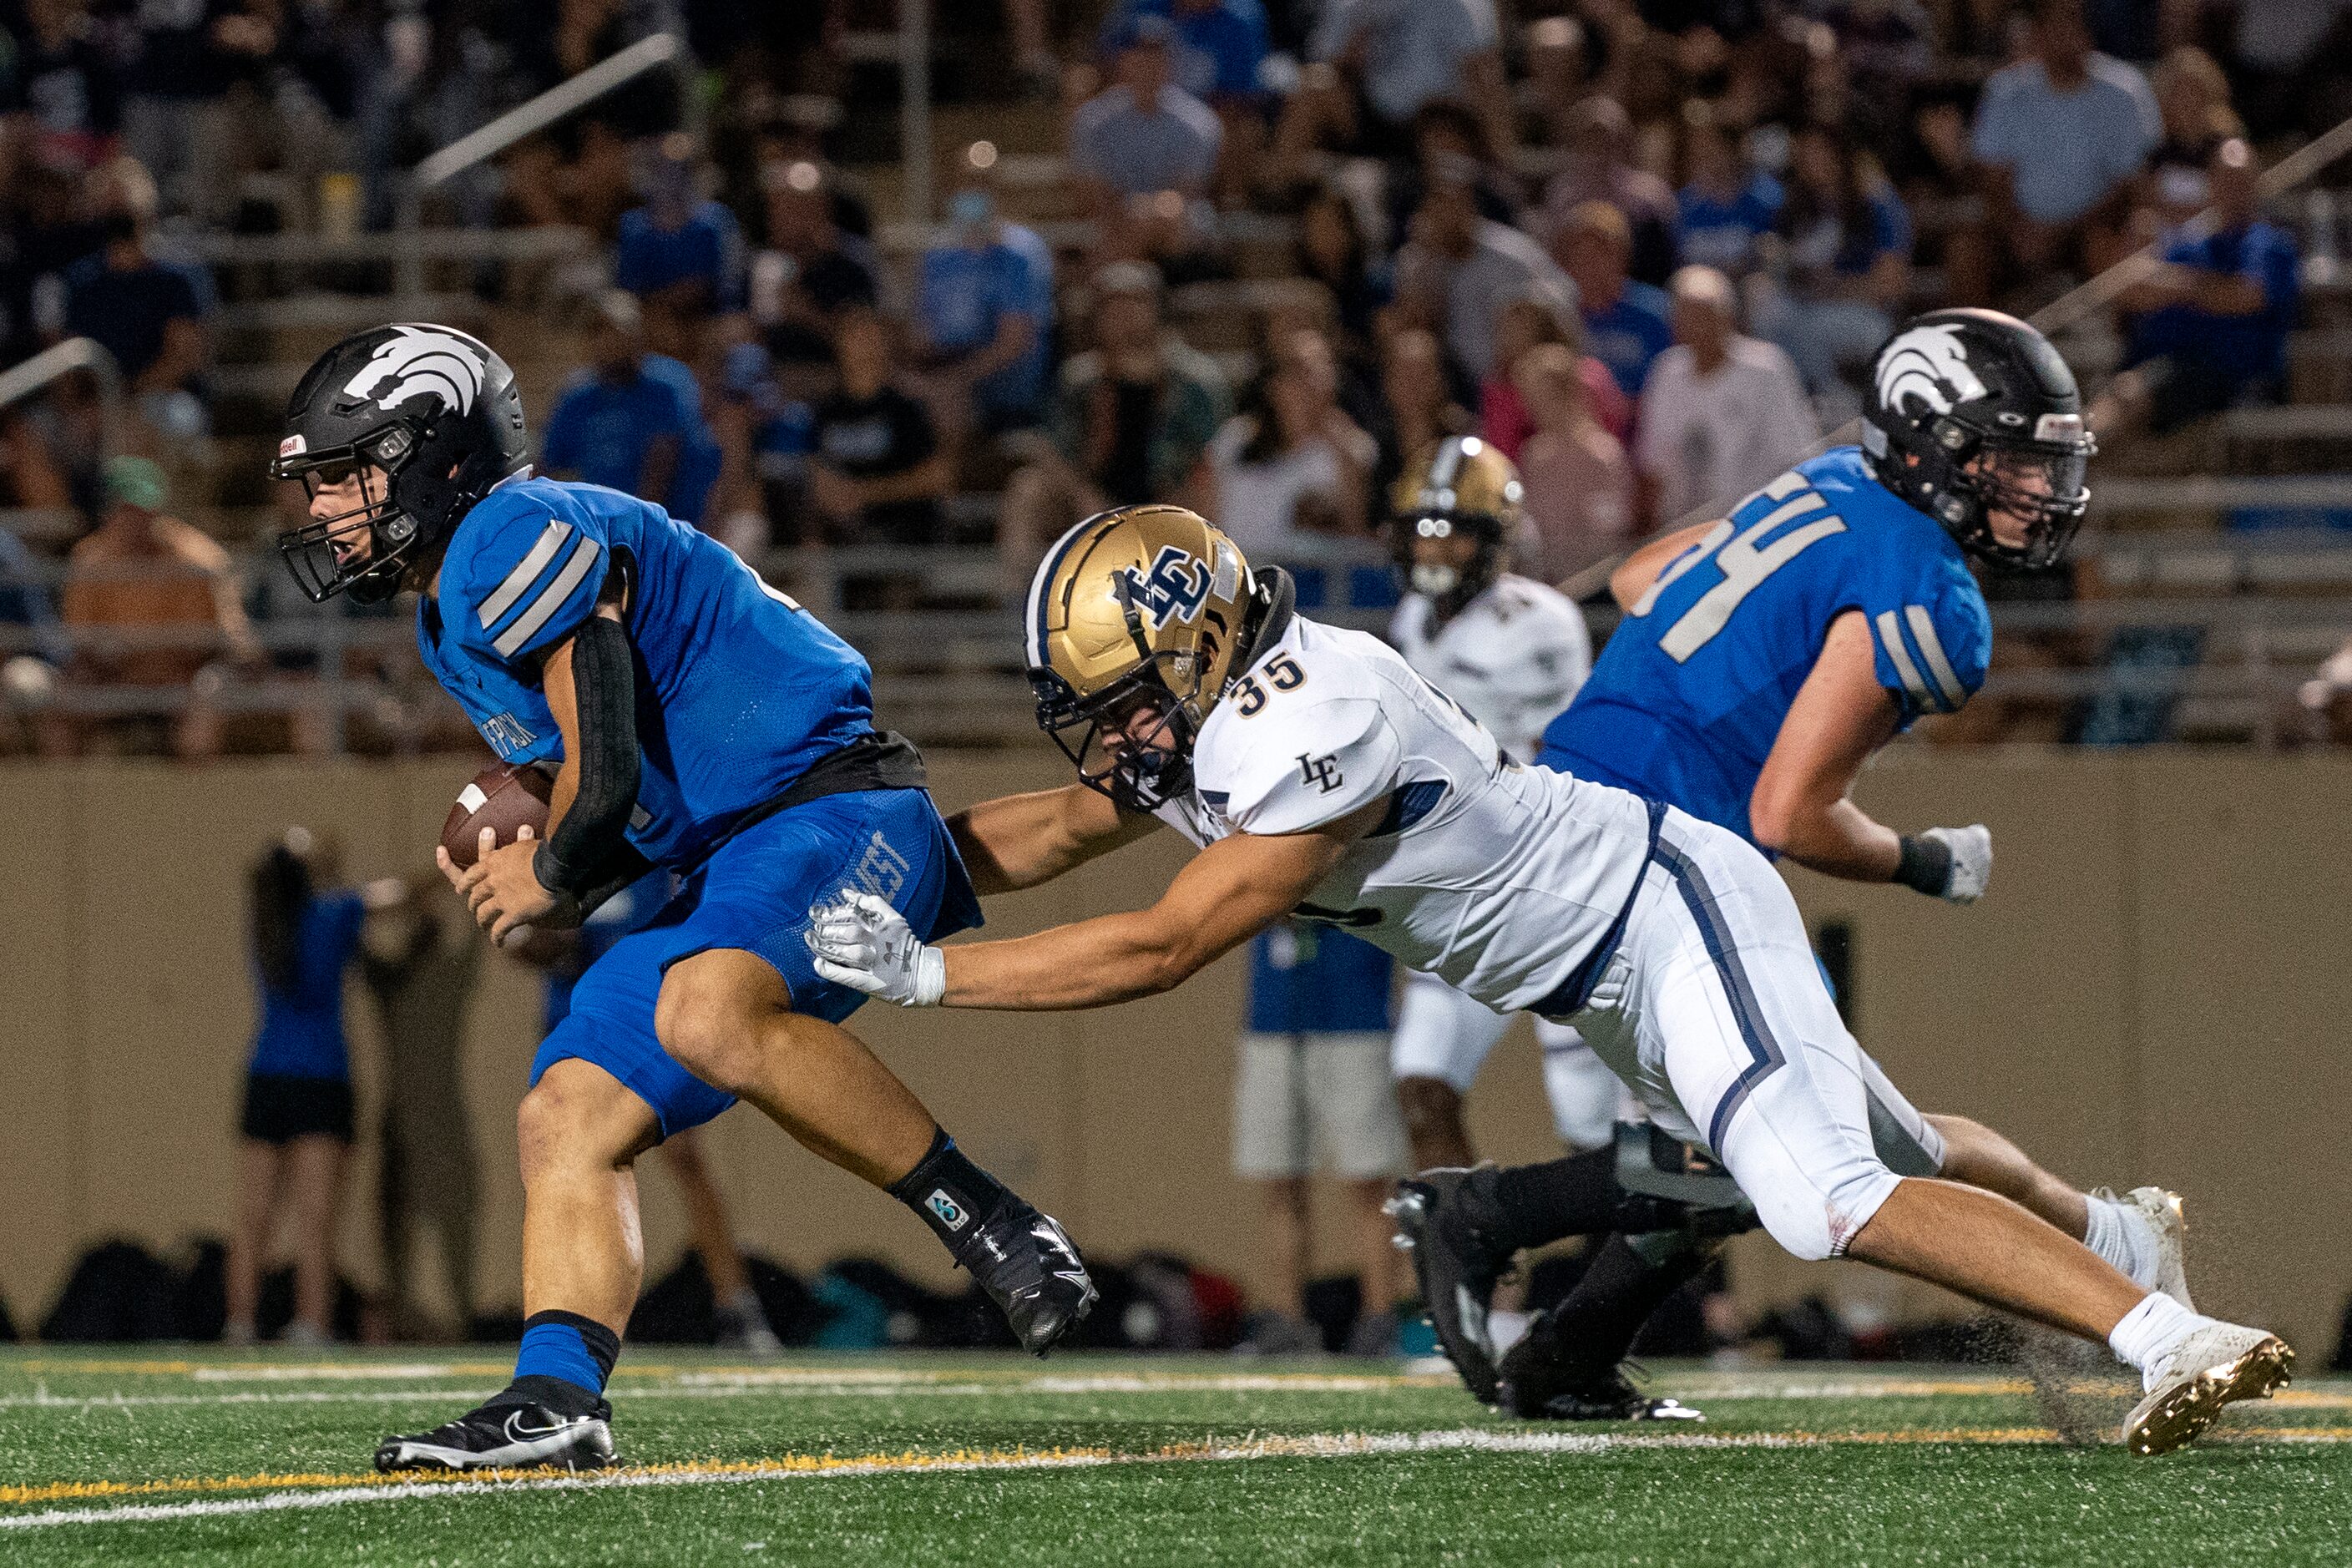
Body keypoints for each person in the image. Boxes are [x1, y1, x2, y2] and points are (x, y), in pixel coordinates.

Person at [806, 487, 2288, 1459]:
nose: (1112, 736)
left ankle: (2166, 1335)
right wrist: (876, 862)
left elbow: (1166, 939)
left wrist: (928, 975)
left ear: (1198, 647)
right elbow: (1057, 830)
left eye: (1121, 701)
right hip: (1602, 970)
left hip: (1657, 907)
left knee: (1822, 1193)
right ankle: (2117, 1229)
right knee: (1882, 1145)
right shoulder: (1207, 719)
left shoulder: (1310, 710)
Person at [271, 321, 1092, 1473]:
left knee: (703, 1009)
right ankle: (556, 1395)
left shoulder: (508, 530)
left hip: (827, 806)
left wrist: (549, 870)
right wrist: (545, 847)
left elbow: (600, 772)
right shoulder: (445, 607)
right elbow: (615, 790)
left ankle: (996, 1221)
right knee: (565, 1106)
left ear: (433, 456)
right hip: (728, 852)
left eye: (345, 479)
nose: (325, 513)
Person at [1442, 310, 2210, 1422]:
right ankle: (1501, 1249)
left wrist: (1736, 652)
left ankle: (1517, 1279)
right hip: (1657, 858)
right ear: (1925, 445)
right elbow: (1794, 812)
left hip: (1614, 831)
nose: (2035, 487)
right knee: (1820, 1146)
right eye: (2006, 456)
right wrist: (1920, 861)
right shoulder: (1936, 595)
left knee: (1812, 1155)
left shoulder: (1828, 486)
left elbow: (1646, 580)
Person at [1381, 437, 1618, 1175]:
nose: (1435, 548)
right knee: (1421, 1091)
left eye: (1450, 530)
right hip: (1457, 892)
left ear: (1492, 540)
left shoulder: (1540, 622)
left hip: (1544, 887)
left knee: (1589, 1131)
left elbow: (1558, 761)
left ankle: (1616, 1286)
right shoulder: (1411, 622)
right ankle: (1479, 1288)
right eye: (1422, 528)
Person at [514, 871, 787, 1356]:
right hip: (577, 1022)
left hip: (647, 1015)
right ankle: (571, 1321)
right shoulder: (566, 849)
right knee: (563, 1166)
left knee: (682, 1160)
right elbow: (538, 944)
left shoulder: (657, 846)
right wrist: (533, 933)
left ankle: (737, 1305)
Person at [227, 829, 407, 1346]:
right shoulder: (332, 914)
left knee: (253, 1215)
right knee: (317, 1218)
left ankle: (240, 1322)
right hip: (321, 1079)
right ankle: (311, 1322)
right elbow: (397, 894)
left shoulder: (263, 924)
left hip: (266, 1076)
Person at [1232, 920, 1412, 1356]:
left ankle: (1379, 1319)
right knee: (1279, 1183)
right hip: (1272, 1022)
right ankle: (1288, 1321)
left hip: (1356, 1017)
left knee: (1370, 1182)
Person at [999, 261, 1231, 572]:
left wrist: (1163, 509)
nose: (1123, 317)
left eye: (1134, 304)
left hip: (1170, 498)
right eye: (1112, 307)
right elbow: (1057, 451)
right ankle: (1018, 603)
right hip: (1091, 499)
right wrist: (1089, 499)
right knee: (1028, 488)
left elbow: (1214, 456)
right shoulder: (1079, 381)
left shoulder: (1196, 382)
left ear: (1156, 310)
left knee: (1208, 487)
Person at [2092, 139, 2299, 441]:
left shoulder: (2271, 245)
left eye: (2240, 181)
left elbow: (2246, 296)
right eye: (2224, 180)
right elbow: (2131, 290)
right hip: (2157, 364)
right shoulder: (2191, 245)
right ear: (2210, 184)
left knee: (2127, 395)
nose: (2232, 190)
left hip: (2224, 373)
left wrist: (2175, 284)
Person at [58, 456, 262, 759]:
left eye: (145, 508)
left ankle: (194, 800)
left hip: (185, 681)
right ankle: (67, 802)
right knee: (60, 702)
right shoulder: (90, 561)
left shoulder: (198, 558)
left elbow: (230, 641)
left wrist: (165, 659)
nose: (137, 519)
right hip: (116, 681)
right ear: (108, 513)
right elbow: (80, 643)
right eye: (126, 510)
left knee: (211, 691)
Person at [1955, 0, 2157, 306]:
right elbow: (1992, 177)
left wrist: (2062, 231)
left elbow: (2129, 186)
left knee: (2108, 248)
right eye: (2056, 25)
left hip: (2089, 231)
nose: (2067, 36)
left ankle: (2125, 348)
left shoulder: (2123, 93)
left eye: (2074, 24)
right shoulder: (2006, 92)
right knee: (1967, 252)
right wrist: (2019, 229)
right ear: (2037, 34)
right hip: (2017, 232)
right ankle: (1976, 342)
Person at [361, 889, 484, 1339]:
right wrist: (415, 896)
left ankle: (462, 1317)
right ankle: (402, 1316)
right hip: (404, 1118)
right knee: (396, 1223)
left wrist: (430, 893)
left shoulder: (441, 982)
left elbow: (474, 938)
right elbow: (356, 935)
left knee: (453, 1220)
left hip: (436, 1118)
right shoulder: (392, 985)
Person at [1748, 124, 1914, 420]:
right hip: (1808, 308)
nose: (1814, 162)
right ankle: (1805, 403)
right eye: (1806, 155)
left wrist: (1831, 288)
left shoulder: (1875, 201)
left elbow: (1891, 285)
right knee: (1767, 308)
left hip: (1863, 314)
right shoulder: (1798, 206)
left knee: (1803, 327)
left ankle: (1831, 399)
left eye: (1821, 153)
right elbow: (1786, 269)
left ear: (1841, 155)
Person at [1635, 266, 1818, 529]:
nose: (1698, 327)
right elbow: (1653, 464)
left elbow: (1797, 455)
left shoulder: (1767, 369)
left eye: (1706, 316)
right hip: (1682, 532)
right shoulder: (1667, 371)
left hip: (1755, 525)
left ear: (1728, 317)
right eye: (1688, 317)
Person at [59, 157, 213, 439]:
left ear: (147, 212)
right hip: (100, 406)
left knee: (164, 420)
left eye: (125, 208)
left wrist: (127, 399)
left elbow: (183, 360)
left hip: (165, 399)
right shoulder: (81, 280)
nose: (117, 217)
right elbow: (71, 363)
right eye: (109, 207)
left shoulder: (178, 277)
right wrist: (88, 407)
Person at [541, 292, 721, 526]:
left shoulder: (665, 384)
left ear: (637, 336)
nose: (609, 342)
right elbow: (549, 465)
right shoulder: (578, 395)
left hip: (666, 523)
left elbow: (663, 460)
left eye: (617, 333)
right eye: (599, 332)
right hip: (600, 524)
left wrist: (634, 526)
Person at [913, 144, 1055, 440]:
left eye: (982, 183)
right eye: (966, 183)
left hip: (1005, 393)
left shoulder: (1022, 253)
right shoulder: (938, 255)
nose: (973, 192)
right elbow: (923, 336)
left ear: (998, 190)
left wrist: (954, 381)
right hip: (946, 373)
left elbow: (1014, 343)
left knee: (950, 403)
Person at [1201, 326, 1375, 557]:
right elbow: (1202, 519)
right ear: (1273, 386)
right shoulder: (1234, 438)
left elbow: (1355, 538)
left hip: (1304, 584)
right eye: (1297, 373)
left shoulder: (1351, 450)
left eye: (1319, 372)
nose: (1308, 386)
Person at [1392, 174, 1576, 386]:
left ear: (1469, 206)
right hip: (1458, 384)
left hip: (1522, 381)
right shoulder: (1422, 259)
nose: (1445, 216)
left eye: (1453, 205)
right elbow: (1413, 324)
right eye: (1436, 207)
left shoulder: (1511, 253)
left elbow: (1565, 301)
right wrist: (1428, 262)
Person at [807, 308, 951, 554]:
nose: (864, 346)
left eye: (871, 336)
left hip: (903, 533)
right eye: (855, 336)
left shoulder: (905, 409)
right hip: (840, 534)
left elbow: (937, 477)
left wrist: (865, 493)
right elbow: (814, 467)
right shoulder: (825, 411)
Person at [1513, 343, 1636, 584]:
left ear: (1568, 394)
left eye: (1541, 397)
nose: (1531, 407)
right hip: (1545, 586)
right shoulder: (1533, 455)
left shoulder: (1602, 455)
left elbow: (1609, 534)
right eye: (1529, 397)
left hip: (1595, 593)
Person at [1554, 200, 1672, 402]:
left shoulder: (1657, 312)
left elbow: (1671, 382)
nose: (1593, 268)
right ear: (1567, 265)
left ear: (1624, 258)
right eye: (1584, 258)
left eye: (1603, 255)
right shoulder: (1559, 316)